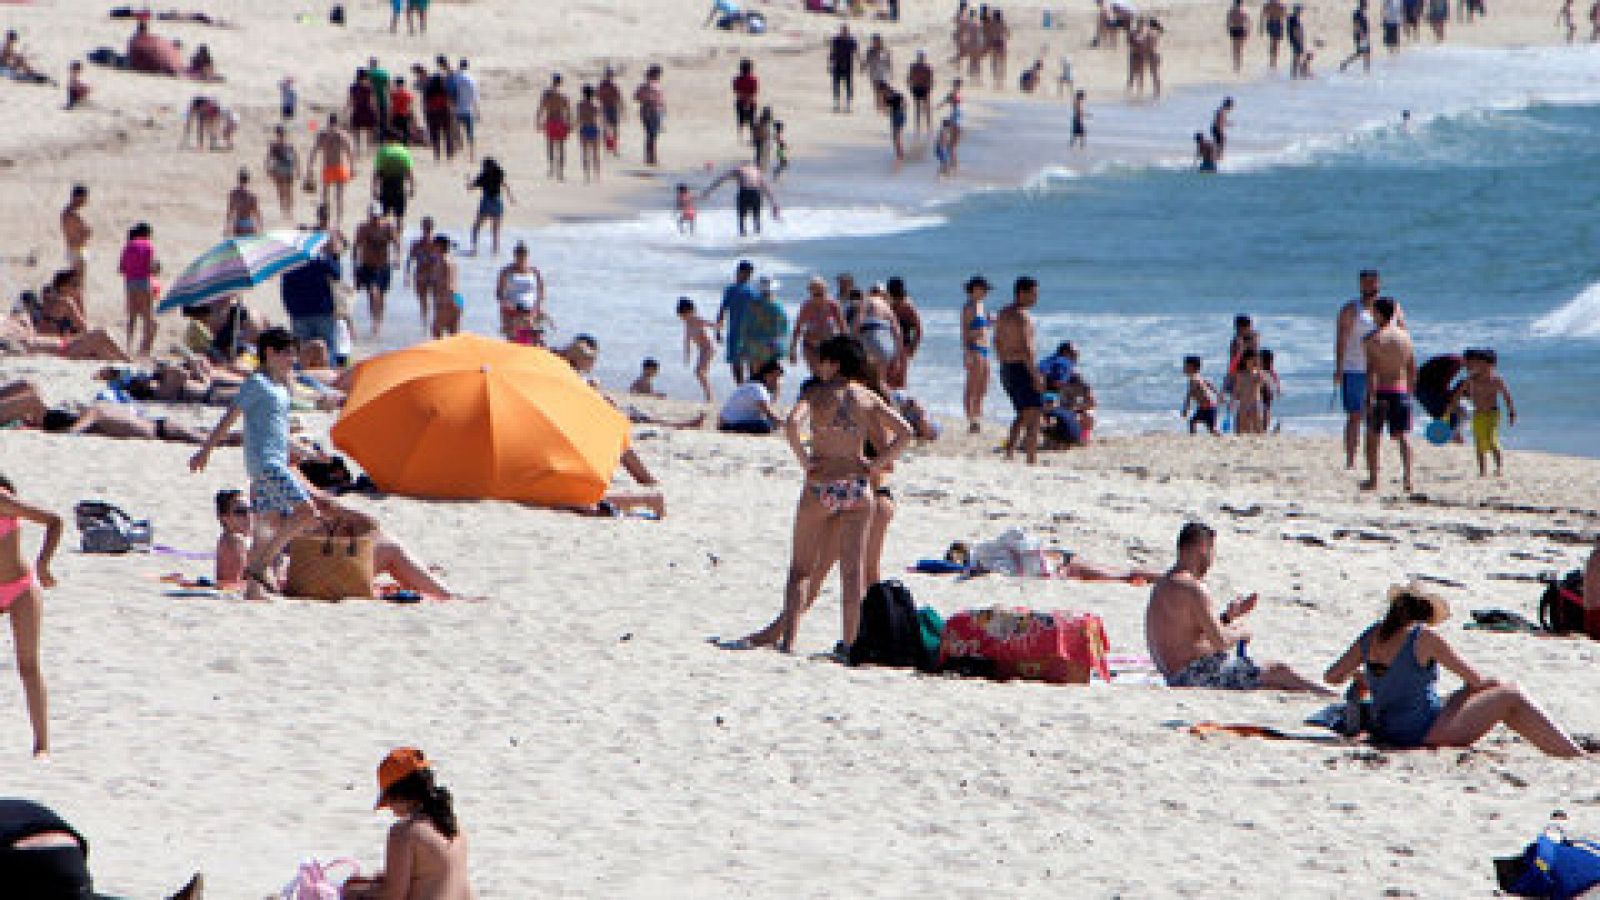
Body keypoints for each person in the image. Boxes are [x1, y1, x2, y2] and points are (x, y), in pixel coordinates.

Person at [770, 335, 912, 654]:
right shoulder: (866, 397)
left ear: (833, 362)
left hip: (822, 483)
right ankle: (850, 645)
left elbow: (791, 424)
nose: (819, 367)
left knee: (800, 569)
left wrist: (806, 461)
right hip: (857, 486)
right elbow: (906, 432)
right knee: (852, 572)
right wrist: (875, 464)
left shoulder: (815, 394)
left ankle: (789, 642)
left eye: (823, 361)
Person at [1324, 583, 1584, 756]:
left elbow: (1332, 676)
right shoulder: (1422, 637)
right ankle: (1571, 752)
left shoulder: (1372, 635)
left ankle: (1557, 744)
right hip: (1420, 730)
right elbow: (1475, 678)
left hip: (1388, 726)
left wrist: (1367, 676)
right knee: (1510, 693)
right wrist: (1493, 682)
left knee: (1475, 694)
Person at [190, 328, 318, 604]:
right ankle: (260, 565)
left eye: (294, 355)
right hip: (266, 464)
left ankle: (253, 590)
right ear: (269, 353)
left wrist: (307, 452)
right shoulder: (257, 383)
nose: (292, 360)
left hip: (274, 460)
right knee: (307, 512)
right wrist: (205, 451)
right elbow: (229, 417)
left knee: (266, 526)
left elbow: (279, 433)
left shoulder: (281, 389)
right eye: (286, 354)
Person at [1146, 522, 1333, 693]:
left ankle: (1324, 694)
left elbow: (1189, 634)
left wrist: (1228, 618)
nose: (1211, 560)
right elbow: (1219, 642)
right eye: (1212, 552)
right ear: (1203, 548)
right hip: (1194, 676)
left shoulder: (1163, 584)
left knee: (1271, 680)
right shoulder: (1193, 588)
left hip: (1173, 674)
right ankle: (1329, 695)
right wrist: (1241, 632)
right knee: (1278, 670)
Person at [342, 747, 472, 900]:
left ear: (397, 795)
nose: (389, 806)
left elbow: (392, 896)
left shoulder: (405, 833)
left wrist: (353, 893)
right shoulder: (455, 829)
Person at [0, 475, 59, 759]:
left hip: (20, 587)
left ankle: (42, 745)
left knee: (28, 665)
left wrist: (44, 564)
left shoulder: (3, 501)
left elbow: (54, 521)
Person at [1362, 295, 1416, 492]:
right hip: (1401, 390)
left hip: (1381, 391)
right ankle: (1408, 477)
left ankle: (1374, 479)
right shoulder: (1406, 337)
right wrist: (1410, 391)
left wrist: (1370, 396)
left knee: (1373, 436)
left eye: (1373, 312)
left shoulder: (1373, 340)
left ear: (1378, 313)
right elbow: (1412, 368)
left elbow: (1371, 371)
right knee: (1404, 437)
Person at [994, 276, 1044, 464]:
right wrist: (1036, 375)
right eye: (1033, 294)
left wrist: (1004, 360)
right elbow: (1027, 349)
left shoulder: (1003, 313)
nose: (1035, 298)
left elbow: (997, 342)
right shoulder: (1023, 316)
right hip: (1022, 368)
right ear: (1021, 293)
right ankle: (1031, 458)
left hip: (1007, 367)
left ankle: (1009, 453)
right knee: (1034, 414)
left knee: (1022, 413)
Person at [1335, 268, 1381, 468]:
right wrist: (1338, 367)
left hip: (1379, 369)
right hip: (1354, 368)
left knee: (1375, 416)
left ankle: (1372, 459)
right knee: (1354, 415)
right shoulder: (1351, 309)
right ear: (1360, 285)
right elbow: (1341, 340)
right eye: (1365, 283)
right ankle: (1350, 459)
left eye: (1373, 282)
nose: (1370, 286)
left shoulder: (1390, 308)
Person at [1448, 347, 1516, 477]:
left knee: (1491, 440)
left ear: (1492, 365)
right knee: (1479, 443)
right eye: (1478, 364)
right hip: (1477, 414)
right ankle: (1482, 470)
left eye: (1483, 365)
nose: (1479, 367)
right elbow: (1458, 394)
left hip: (1492, 414)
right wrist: (1452, 407)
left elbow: (1507, 396)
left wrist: (1511, 412)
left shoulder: (1496, 380)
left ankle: (1499, 467)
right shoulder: (1471, 380)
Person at [280, 246, 342, 352]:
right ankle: (329, 368)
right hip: (322, 311)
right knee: (327, 349)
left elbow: (285, 288)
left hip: (298, 312)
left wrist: (290, 310)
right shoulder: (319, 258)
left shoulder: (290, 262)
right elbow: (336, 274)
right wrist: (332, 255)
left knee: (303, 351)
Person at [353, 206, 400, 338]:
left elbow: (397, 243)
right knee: (372, 294)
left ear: (381, 216)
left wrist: (397, 258)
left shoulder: (388, 228)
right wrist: (355, 266)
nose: (375, 220)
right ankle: (375, 322)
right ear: (368, 216)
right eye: (372, 217)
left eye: (377, 217)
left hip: (383, 266)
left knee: (381, 296)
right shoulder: (363, 228)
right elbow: (356, 246)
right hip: (367, 266)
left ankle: (378, 322)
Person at [117, 222, 159, 359]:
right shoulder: (148, 245)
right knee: (148, 317)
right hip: (143, 282)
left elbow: (121, 268)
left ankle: (128, 347)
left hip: (129, 283)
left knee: (132, 316)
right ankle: (145, 350)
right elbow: (151, 267)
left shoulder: (128, 246)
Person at [702, 163, 780, 237]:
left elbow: (722, 179)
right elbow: (765, 187)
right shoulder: (756, 171)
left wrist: (709, 190)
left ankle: (743, 236)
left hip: (744, 193)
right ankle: (757, 239)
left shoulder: (739, 170)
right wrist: (774, 202)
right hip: (755, 194)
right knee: (756, 219)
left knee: (742, 219)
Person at [306, 113, 356, 225]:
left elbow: (314, 151)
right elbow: (349, 151)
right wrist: (352, 167)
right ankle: (335, 220)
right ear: (336, 122)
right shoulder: (340, 134)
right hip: (336, 167)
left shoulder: (325, 135)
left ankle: (331, 219)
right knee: (335, 196)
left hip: (331, 167)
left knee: (329, 196)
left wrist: (310, 167)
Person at [496, 243, 546, 345]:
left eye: (523, 256)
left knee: (532, 337)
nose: (521, 259)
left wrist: (539, 307)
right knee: (515, 339)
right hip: (512, 310)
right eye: (518, 256)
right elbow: (499, 293)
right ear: (515, 256)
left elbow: (541, 291)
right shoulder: (506, 271)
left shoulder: (534, 271)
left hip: (530, 309)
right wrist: (506, 306)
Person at [960, 275, 992, 433]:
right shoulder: (968, 307)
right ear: (975, 289)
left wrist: (990, 322)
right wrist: (967, 352)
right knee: (972, 386)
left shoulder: (981, 305)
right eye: (984, 289)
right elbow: (965, 331)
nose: (986, 292)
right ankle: (971, 420)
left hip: (985, 348)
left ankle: (978, 416)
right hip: (974, 348)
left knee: (983, 385)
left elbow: (983, 328)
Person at [718, 359, 784, 434]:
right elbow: (768, 413)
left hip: (728, 421)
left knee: (768, 424)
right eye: (774, 377)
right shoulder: (758, 388)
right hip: (728, 424)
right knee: (766, 426)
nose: (777, 381)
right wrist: (784, 423)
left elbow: (770, 409)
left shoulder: (755, 385)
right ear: (766, 376)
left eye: (779, 378)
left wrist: (777, 390)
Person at [741, 276, 789, 374]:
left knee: (756, 374)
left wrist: (744, 344)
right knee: (772, 374)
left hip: (754, 343)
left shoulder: (751, 305)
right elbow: (783, 326)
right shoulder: (776, 305)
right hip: (772, 344)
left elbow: (745, 325)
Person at [853, 284, 902, 378]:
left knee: (865, 379)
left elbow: (858, 320)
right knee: (881, 380)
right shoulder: (887, 307)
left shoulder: (867, 301)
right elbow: (897, 333)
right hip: (887, 344)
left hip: (870, 338)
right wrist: (897, 358)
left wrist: (852, 340)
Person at [468, 157, 512, 255]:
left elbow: (471, 187)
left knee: (476, 227)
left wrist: (468, 183)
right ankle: (495, 251)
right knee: (495, 230)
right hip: (497, 201)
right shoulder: (498, 174)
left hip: (486, 201)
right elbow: (505, 185)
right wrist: (511, 197)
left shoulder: (483, 176)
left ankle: (474, 248)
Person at [678, 296, 717, 403]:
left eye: (684, 314)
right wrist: (687, 356)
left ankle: (710, 397)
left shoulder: (696, 319)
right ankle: (709, 396)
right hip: (702, 350)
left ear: (690, 311)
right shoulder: (687, 324)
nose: (683, 317)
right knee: (700, 372)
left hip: (708, 348)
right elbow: (686, 341)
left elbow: (709, 323)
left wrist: (718, 327)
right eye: (681, 315)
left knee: (700, 372)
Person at [883, 277, 921, 390]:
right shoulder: (889, 303)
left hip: (902, 344)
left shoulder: (907, 305)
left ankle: (899, 404)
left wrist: (913, 348)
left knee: (899, 378)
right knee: (889, 378)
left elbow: (918, 329)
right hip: (890, 344)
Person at [405, 216, 440, 332]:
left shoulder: (437, 244)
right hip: (420, 275)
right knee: (423, 301)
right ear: (422, 228)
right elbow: (409, 260)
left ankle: (435, 323)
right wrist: (407, 276)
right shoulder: (417, 244)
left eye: (429, 228)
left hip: (435, 276)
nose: (427, 231)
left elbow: (445, 260)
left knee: (436, 300)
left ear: (433, 228)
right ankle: (424, 324)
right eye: (425, 228)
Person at [537, 74, 573, 181]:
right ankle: (560, 172)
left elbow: (541, 108)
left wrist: (538, 121)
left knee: (550, 146)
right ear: (560, 82)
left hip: (550, 121)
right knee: (561, 147)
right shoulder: (563, 96)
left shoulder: (546, 95)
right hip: (560, 121)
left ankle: (552, 168)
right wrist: (570, 124)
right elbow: (568, 112)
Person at [423, 56, 456, 162]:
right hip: (444, 112)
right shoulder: (444, 90)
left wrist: (426, 116)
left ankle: (437, 155)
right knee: (447, 134)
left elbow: (425, 104)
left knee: (435, 135)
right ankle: (449, 155)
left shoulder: (428, 92)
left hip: (432, 113)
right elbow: (450, 101)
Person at [264, 125, 300, 219]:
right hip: (279, 169)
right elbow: (268, 157)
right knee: (280, 191)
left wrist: (297, 169)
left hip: (287, 169)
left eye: (282, 134)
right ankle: (284, 211)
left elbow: (296, 157)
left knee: (289, 191)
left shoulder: (289, 146)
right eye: (279, 134)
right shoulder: (274, 146)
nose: (281, 136)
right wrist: (268, 168)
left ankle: (289, 211)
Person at [1181, 355, 1222, 434]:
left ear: (1191, 367)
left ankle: (1220, 437)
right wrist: (1218, 394)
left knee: (1211, 428)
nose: (1184, 368)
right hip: (1206, 407)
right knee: (1193, 422)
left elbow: (1189, 395)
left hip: (1208, 407)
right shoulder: (1199, 377)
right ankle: (1193, 438)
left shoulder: (1194, 379)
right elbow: (1209, 384)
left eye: (1185, 366)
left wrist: (1186, 408)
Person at [431, 236, 461, 338]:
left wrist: (441, 301)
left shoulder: (443, 261)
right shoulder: (452, 260)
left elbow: (447, 283)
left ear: (439, 247)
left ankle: (438, 354)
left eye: (434, 245)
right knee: (453, 332)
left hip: (447, 297)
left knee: (436, 330)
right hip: (458, 298)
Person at [634, 65, 665, 167]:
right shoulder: (649, 85)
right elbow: (637, 97)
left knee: (650, 134)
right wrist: (649, 100)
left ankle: (650, 157)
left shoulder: (649, 85)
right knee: (652, 135)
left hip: (651, 110)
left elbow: (636, 96)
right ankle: (651, 157)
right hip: (651, 110)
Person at [451, 58, 480, 160]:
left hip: (457, 110)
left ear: (459, 66)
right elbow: (475, 97)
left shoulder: (455, 78)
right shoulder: (472, 80)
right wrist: (478, 112)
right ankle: (472, 155)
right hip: (469, 110)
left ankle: (455, 153)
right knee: (470, 134)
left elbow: (452, 94)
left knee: (455, 132)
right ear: (467, 66)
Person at [59, 184, 90, 276]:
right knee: (78, 281)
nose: (85, 201)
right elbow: (81, 233)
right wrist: (86, 232)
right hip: (76, 249)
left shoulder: (67, 213)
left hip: (74, 249)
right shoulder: (72, 215)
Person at [223, 169, 262, 238]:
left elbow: (230, 211)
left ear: (238, 179)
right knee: (249, 246)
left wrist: (227, 227)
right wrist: (260, 227)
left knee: (239, 246)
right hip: (248, 223)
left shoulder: (234, 194)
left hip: (238, 223)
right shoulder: (251, 196)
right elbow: (256, 213)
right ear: (248, 181)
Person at [829, 25, 859, 112]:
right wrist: (830, 62)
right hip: (837, 65)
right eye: (843, 31)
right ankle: (836, 103)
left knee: (848, 85)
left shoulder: (851, 41)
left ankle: (848, 104)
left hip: (848, 66)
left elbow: (855, 52)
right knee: (836, 85)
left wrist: (859, 62)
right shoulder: (836, 40)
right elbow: (832, 52)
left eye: (845, 31)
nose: (844, 32)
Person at [576, 85, 602, 183]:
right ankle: (597, 174)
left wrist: (574, 127)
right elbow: (600, 118)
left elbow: (579, 118)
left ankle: (586, 175)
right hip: (593, 128)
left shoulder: (580, 106)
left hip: (584, 128)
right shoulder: (595, 106)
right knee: (595, 153)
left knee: (585, 152)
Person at [1339, 0, 1373, 73]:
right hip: (1360, 36)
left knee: (1362, 53)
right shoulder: (1357, 13)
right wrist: (1361, 35)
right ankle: (1366, 70)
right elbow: (1356, 25)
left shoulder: (1362, 13)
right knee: (1364, 53)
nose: (1367, 5)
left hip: (1363, 36)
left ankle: (1346, 64)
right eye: (1366, 4)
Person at [597, 67, 623, 157]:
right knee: (607, 128)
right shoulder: (604, 86)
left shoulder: (611, 86)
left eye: (611, 76)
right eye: (609, 75)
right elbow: (599, 96)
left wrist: (621, 106)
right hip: (606, 107)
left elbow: (618, 97)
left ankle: (614, 148)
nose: (610, 77)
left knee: (613, 128)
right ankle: (608, 147)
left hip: (611, 107)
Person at [732, 58, 759, 139]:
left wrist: (743, 98)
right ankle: (752, 137)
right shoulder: (753, 79)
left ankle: (740, 137)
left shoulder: (737, 79)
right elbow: (754, 91)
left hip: (740, 101)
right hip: (751, 101)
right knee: (752, 121)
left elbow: (736, 91)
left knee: (740, 120)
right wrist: (748, 100)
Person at [907, 50, 934, 132]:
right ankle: (918, 127)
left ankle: (928, 126)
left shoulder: (927, 68)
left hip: (924, 88)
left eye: (922, 57)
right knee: (918, 108)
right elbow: (909, 78)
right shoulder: (914, 67)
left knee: (926, 108)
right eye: (920, 57)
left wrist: (929, 88)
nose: (921, 59)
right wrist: (910, 87)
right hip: (917, 88)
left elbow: (931, 79)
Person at [1262, 0, 1288, 67]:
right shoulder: (1281, 5)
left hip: (1271, 22)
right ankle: (1273, 61)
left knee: (1273, 42)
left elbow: (1264, 15)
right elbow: (1284, 16)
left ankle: (1272, 60)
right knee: (1275, 43)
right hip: (1277, 23)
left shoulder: (1268, 5)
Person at [1228, 0, 1251, 72]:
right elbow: (1248, 22)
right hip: (1241, 29)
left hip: (1234, 29)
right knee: (1240, 48)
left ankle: (1236, 64)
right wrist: (1248, 31)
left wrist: (1228, 29)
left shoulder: (1231, 11)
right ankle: (1239, 64)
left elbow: (1228, 22)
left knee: (1235, 48)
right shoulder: (1243, 11)